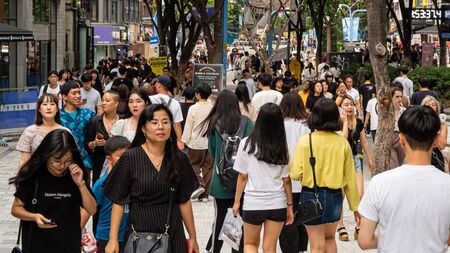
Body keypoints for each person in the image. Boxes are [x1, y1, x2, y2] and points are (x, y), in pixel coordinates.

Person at [103, 104, 200, 253]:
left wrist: (193, 237)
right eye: (154, 122)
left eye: (165, 122)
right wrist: (113, 238)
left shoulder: (179, 158)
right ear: (143, 128)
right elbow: (118, 202)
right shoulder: (130, 158)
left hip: (172, 231)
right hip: (139, 233)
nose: (160, 127)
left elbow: (184, 201)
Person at [358, 106, 450, 252]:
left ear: (401, 138)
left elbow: (364, 241)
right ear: (436, 140)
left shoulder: (379, 183)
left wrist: (392, 236)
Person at [9, 129, 96, 253]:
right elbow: (16, 209)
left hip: (69, 245)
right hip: (37, 244)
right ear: (46, 155)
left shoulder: (76, 174)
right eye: (56, 161)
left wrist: (81, 184)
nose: (62, 166)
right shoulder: (33, 175)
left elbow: (92, 209)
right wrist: (34, 217)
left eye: (67, 161)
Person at [290, 98, 360, 253]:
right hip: (334, 197)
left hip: (310, 195)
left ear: (314, 116)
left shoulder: (305, 141)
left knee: (316, 245)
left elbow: (294, 174)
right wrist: (355, 208)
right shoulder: (342, 143)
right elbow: (350, 179)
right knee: (329, 239)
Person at [231, 103, 294, 253]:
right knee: (270, 246)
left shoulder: (246, 143)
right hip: (277, 203)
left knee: (250, 245)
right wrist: (290, 206)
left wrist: (236, 202)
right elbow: (286, 180)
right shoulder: (283, 146)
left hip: (253, 203)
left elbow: (242, 177)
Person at [202, 90, 254, 253]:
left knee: (219, 220)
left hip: (220, 181)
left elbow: (211, 151)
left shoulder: (213, 124)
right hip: (243, 181)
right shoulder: (247, 123)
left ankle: (214, 250)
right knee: (238, 220)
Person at [336, 95, 374, 241]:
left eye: (351, 104)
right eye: (346, 105)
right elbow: (342, 140)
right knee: (340, 195)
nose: (349, 107)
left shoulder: (358, 122)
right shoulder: (337, 123)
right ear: (340, 108)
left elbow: (363, 141)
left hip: (356, 158)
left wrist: (370, 158)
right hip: (341, 160)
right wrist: (345, 122)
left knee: (359, 194)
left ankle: (358, 224)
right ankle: (341, 225)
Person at [278, 93, 310, 253]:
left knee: (287, 218)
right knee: (302, 216)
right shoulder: (307, 125)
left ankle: (290, 249)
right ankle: (302, 247)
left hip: (282, 178)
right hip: (304, 178)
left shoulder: (278, 125)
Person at [93, 136, 130, 253]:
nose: (125, 159)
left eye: (128, 155)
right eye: (120, 156)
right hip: (106, 237)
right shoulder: (101, 184)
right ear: (109, 159)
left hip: (130, 236)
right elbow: (87, 209)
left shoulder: (134, 180)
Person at [16, 94, 70, 169]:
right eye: (44, 104)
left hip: (59, 174)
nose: (49, 107)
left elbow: (71, 159)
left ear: (57, 109)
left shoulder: (65, 131)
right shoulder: (30, 131)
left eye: (52, 104)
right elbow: (24, 160)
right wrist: (21, 179)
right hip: (36, 176)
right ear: (39, 109)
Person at [181, 83, 214, 201]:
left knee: (193, 164)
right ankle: (205, 195)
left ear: (198, 95)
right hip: (210, 142)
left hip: (196, 142)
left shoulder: (193, 108)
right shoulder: (213, 107)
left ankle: (200, 184)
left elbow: (188, 126)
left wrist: (184, 140)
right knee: (208, 167)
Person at [60, 81, 96, 173]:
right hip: (63, 163)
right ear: (64, 97)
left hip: (85, 161)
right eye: (74, 93)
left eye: (79, 92)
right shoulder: (57, 116)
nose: (78, 95)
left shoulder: (88, 114)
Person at [86, 91, 120, 184]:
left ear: (116, 103)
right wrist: (95, 143)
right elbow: (87, 144)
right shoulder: (95, 121)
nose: (103, 103)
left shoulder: (123, 121)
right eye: (103, 100)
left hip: (120, 163)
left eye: (107, 100)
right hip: (99, 162)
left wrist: (108, 143)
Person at [149, 75, 185, 150]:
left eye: (156, 83)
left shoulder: (150, 99)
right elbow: (177, 124)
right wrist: (179, 140)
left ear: (159, 85)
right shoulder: (175, 103)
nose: (155, 85)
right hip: (168, 136)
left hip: (152, 134)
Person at [421, 95, 448, 172]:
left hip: (436, 157)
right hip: (421, 157)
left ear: (437, 108)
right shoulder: (418, 123)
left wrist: (433, 124)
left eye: (433, 105)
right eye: (428, 104)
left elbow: (442, 145)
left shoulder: (442, 125)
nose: (431, 107)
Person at [390, 86, 406, 169]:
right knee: (393, 165)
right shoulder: (386, 111)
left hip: (401, 137)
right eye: (397, 97)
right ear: (391, 97)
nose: (399, 99)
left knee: (401, 163)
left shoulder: (404, 111)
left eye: (401, 96)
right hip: (390, 138)